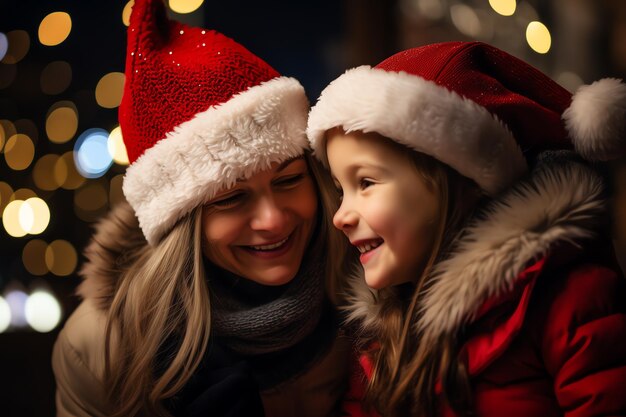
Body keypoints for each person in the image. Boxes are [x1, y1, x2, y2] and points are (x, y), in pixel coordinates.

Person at [51, 1, 352, 416]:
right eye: (231, 198)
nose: (274, 219)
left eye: (288, 180)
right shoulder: (101, 347)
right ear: (181, 221)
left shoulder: (370, 291)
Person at [306, 41, 626, 417]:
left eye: (366, 183)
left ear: (461, 182)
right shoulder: (382, 334)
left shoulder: (571, 299)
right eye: (340, 190)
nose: (341, 216)